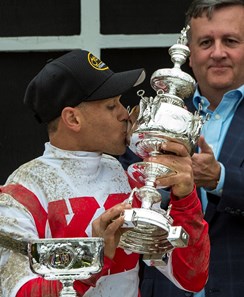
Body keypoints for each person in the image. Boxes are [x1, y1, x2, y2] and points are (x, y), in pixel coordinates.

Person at [0, 49, 209, 296]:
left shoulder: (128, 179)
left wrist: (185, 200)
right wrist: (93, 257)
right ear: (73, 119)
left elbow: (191, 279)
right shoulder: (22, 192)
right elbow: (17, 292)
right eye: (111, 105)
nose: (124, 114)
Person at [120, 0, 244, 297]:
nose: (217, 52)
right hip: (165, 289)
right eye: (205, 42)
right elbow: (124, 184)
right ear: (190, 55)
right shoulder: (157, 114)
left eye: (230, 41)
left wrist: (220, 179)